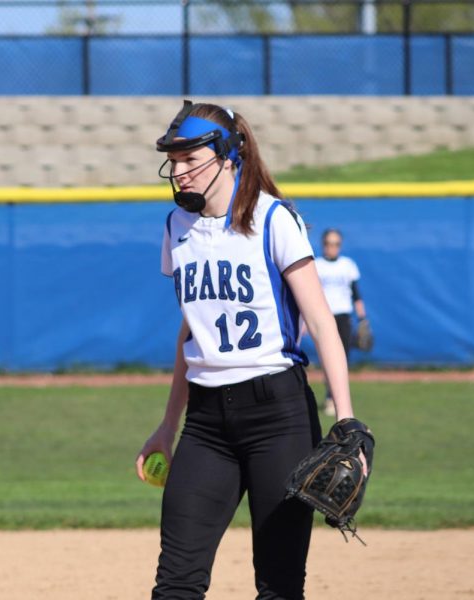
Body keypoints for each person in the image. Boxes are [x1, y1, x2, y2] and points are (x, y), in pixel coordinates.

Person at [135, 100, 365, 600]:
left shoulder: (274, 219)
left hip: (278, 415)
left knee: (279, 586)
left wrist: (345, 421)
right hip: (206, 422)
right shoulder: (177, 227)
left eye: (189, 158)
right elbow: (189, 335)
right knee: (175, 582)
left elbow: (324, 324)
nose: (178, 171)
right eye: (172, 161)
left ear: (226, 156)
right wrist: (167, 425)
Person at [314, 228, 369, 416]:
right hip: (324, 317)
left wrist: (363, 318)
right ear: (323, 245)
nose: (332, 247)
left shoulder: (347, 265)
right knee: (328, 359)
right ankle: (331, 398)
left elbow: (356, 294)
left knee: (342, 359)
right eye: (329, 243)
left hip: (344, 316)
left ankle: (337, 399)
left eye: (336, 243)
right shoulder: (317, 265)